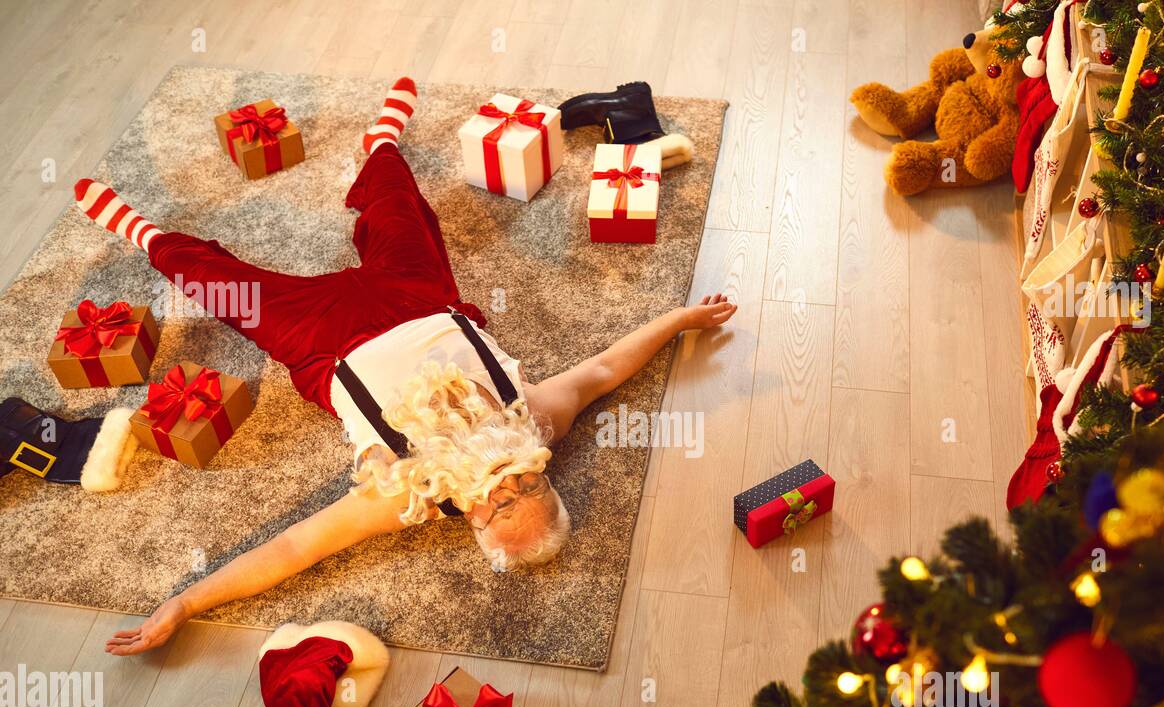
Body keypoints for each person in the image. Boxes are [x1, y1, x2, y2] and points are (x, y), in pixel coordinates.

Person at [69, 78, 735, 657]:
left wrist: (184, 605)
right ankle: (382, 142)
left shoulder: (406, 497)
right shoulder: (536, 428)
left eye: (500, 508)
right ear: (543, 482)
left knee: (223, 290)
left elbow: (294, 550)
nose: (506, 488)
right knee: (400, 208)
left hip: (326, 342)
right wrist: (678, 320)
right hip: (422, 300)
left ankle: (144, 234)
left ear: (475, 525)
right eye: (528, 492)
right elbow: (604, 371)